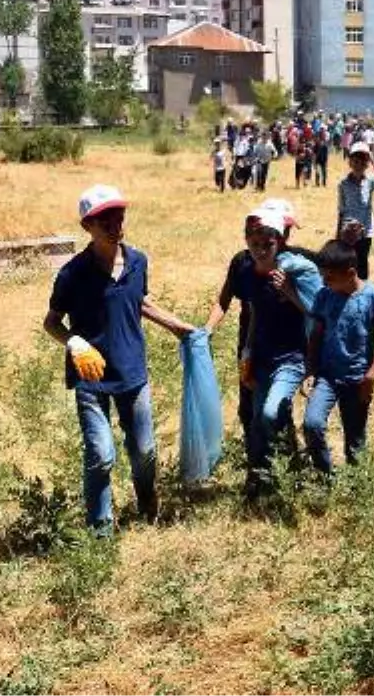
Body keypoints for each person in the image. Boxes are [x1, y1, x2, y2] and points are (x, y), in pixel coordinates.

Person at [43, 185, 195, 534]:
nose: (115, 223)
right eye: (104, 219)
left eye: (118, 215)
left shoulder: (138, 261)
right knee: (101, 454)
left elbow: (137, 301)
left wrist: (178, 326)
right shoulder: (71, 274)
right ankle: (100, 531)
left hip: (132, 371)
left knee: (144, 450)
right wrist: (74, 343)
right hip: (90, 375)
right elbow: (51, 323)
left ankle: (147, 505)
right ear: (87, 226)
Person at [230, 208, 323, 498]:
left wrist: (290, 293)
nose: (260, 250)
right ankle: (267, 479)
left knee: (271, 414)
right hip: (261, 359)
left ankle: (291, 467)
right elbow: (254, 312)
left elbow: (318, 314)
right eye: (254, 244)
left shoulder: (294, 271)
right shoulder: (248, 273)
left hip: (291, 359)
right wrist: (247, 352)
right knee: (258, 420)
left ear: (279, 242)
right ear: (247, 241)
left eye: (267, 244)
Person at [302, 241, 374, 477]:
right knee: (312, 424)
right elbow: (316, 334)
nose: (324, 282)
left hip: (357, 380)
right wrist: (310, 370)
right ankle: (325, 475)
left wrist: (371, 377)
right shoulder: (325, 296)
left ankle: (356, 485)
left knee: (355, 440)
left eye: (330, 278)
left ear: (351, 273)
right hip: (327, 376)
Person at [337, 141, 374, 281]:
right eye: (355, 161)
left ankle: (362, 289)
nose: (358, 165)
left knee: (362, 261)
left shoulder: (370, 181)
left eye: (361, 162)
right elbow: (341, 209)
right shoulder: (343, 184)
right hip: (348, 230)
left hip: (366, 230)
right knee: (348, 261)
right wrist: (338, 234)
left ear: (366, 164)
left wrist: (372, 158)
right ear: (350, 163)